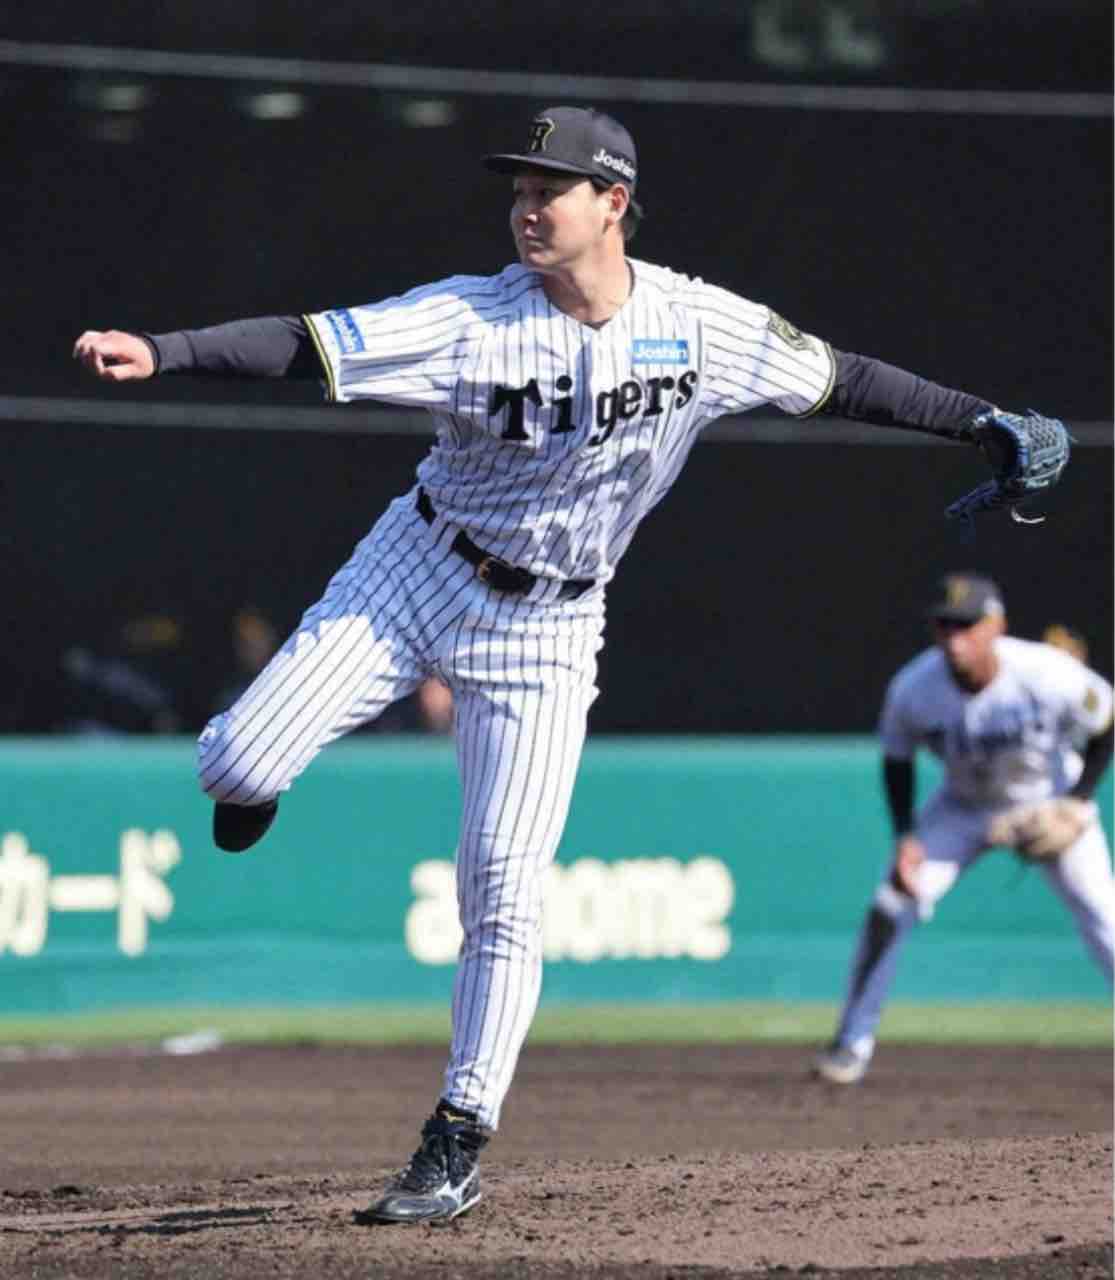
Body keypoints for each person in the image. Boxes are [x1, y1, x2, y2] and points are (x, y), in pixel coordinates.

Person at [74, 105, 1065, 1224]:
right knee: (233, 763)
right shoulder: (469, 316)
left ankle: (456, 1137)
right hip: (418, 566)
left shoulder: (699, 324)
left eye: (551, 188)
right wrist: (165, 350)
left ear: (614, 204)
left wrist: (979, 420)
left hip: (549, 626)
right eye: (518, 189)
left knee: (502, 884)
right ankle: (256, 784)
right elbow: (306, 342)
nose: (527, 207)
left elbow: (843, 379)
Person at [814, 572, 1114, 1086]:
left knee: (1104, 916)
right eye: (946, 626)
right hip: (963, 807)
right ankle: (850, 1043)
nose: (956, 638)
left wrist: (1079, 800)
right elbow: (897, 759)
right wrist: (905, 837)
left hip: (1049, 798)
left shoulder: (1046, 672)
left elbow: (1107, 722)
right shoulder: (913, 689)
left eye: (968, 625)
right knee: (890, 904)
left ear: (996, 625)